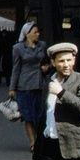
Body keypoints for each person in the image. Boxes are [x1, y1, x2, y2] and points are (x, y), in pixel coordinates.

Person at [8, 22, 49, 151]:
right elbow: (16, 68)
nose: (38, 34)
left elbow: (50, 61)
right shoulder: (18, 48)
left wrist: (47, 67)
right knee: (28, 116)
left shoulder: (42, 45)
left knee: (40, 115)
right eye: (35, 32)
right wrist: (12, 88)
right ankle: (33, 142)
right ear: (26, 34)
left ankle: (40, 139)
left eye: (38, 32)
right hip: (24, 85)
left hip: (39, 84)